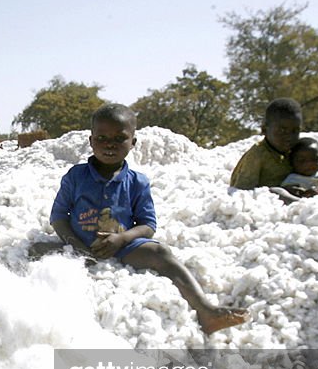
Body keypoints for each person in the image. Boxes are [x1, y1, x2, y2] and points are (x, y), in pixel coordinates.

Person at [47, 103, 248, 335]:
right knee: (37, 250)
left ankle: (205, 310)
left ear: (133, 143)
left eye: (119, 138)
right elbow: (59, 217)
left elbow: (148, 225)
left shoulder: (137, 182)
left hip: (121, 249)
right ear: (91, 141)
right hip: (78, 245)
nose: (109, 144)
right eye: (102, 138)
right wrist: (76, 247)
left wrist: (122, 239)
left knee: (161, 254)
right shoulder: (75, 176)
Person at [229, 98, 302, 189]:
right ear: (264, 130)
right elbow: (242, 191)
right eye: (282, 130)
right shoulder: (258, 154)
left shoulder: (294, 151)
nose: (289, 137)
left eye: (295, 131)